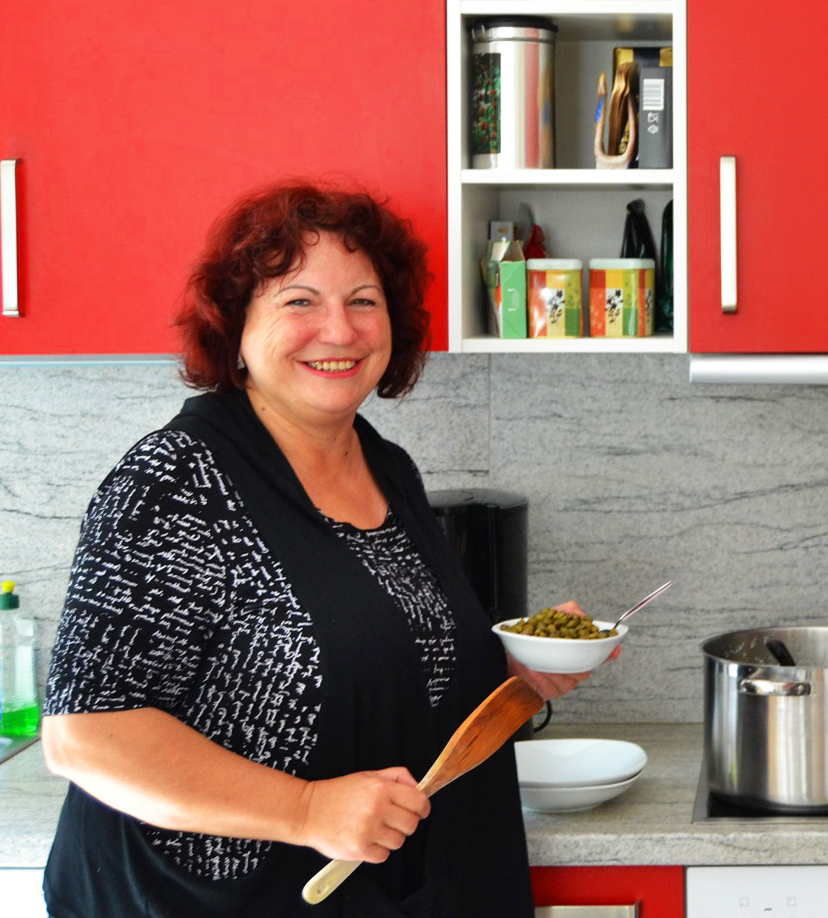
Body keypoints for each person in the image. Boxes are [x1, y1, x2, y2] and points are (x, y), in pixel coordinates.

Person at [42, 181, 586, 917]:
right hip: (199, 900)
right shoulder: (175, 480)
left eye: (363, 300)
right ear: (236, 326)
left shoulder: (384, 466)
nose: (339, 329)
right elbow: (86, 735)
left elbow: (382, 658)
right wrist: (303, 809)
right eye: (299, 300)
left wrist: (506, 668)